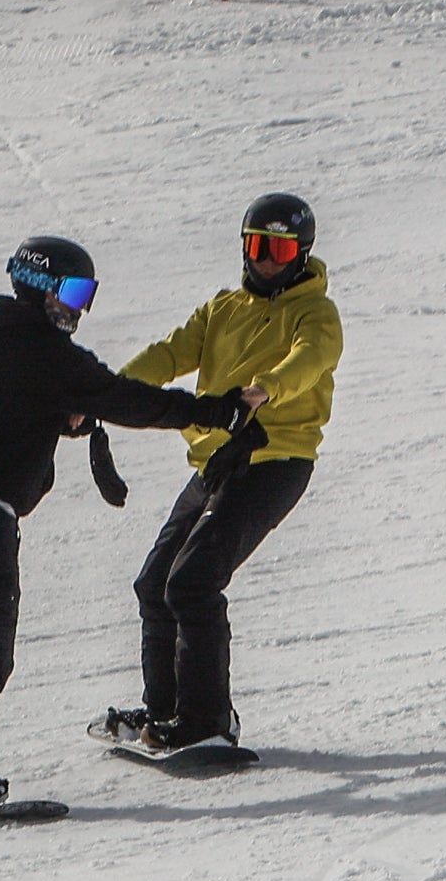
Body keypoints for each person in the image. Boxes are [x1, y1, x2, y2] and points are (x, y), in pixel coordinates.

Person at [0, 235, 255, 808]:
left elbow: (2, 408)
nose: (80, 309)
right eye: (74, 292)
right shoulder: (44, 351)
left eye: (88, 296)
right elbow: (128, 399)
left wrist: (58, 418)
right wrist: (219, 411)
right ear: (40, 286)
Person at [91, 192, 346, 758]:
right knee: (155, 582)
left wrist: (266, 388)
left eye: (280, 250)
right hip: (218, 461)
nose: (267, 261)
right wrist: (106, 395)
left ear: (301, 253)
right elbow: (170, 353)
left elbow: (310, 359)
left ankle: (207, 720)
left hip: (275, 459)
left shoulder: (316, 312)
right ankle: (165, 714)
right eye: (258, 246)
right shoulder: (223, 308)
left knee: (193, 581)